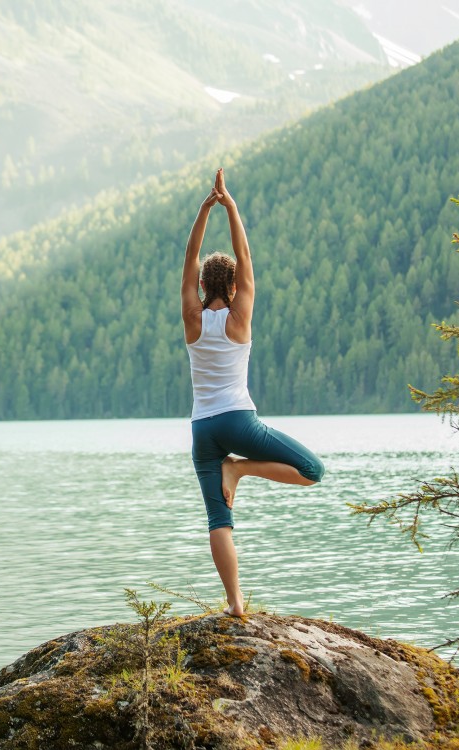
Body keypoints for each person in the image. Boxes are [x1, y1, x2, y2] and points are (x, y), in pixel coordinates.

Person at [181, 168, 325, 617]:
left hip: (203, 428)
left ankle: (235, 603)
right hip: (239, 421)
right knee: (312, 469)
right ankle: (239, 470)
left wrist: (204, 209)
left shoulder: (192, 317)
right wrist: (232, 207)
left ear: (203, 287)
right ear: (236, 286)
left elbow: (190, 258)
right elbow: (244, 255)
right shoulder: (240, 315)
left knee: (218, 520)